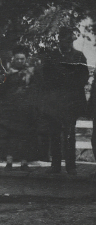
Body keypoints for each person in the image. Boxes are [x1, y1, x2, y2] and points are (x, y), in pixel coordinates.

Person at [38, 26, 89, 174]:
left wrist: (70, 82)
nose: (68, 43)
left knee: (69, 134)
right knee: (54, 134)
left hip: (71, 102)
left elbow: (84, 77)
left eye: (70, 40)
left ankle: (71, 166)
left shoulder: (79, 56)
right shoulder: (51, 56)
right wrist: (60, 81)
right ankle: (55, 166)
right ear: (60, 40)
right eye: (65, 40)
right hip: (55, 102)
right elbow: (45, 78)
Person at [0, 45, 38, 170]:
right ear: (13, 59)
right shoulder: (7, 73)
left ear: (26, 60)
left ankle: (24, 162)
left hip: (25, 110)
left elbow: (35, 89)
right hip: (10, 109)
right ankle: (9, 162)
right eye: (17, 59)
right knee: (10, 136)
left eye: (22, 59)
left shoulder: (30, 72)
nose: (20, 61)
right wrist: (7, 75)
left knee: (25, 136)